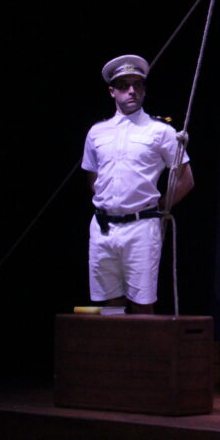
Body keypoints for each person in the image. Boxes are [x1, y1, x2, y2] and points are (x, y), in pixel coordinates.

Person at [81, 54, 194, 315]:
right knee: (110, 302)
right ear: (112, 91)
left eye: (137, 85)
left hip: (140, 227)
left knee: (142, 302)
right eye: (123, 85)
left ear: (144, 89)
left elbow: (186, 179)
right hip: (103, 227)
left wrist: (159, 207)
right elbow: (93, 176)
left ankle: (146, 344)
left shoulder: (161, 131)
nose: (131, 91)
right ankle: (115, 344)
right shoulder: (97, 132)